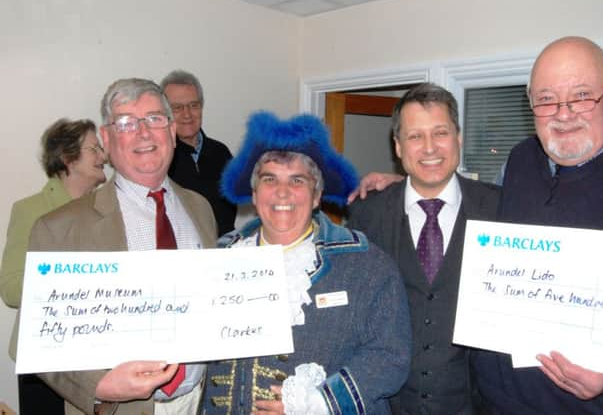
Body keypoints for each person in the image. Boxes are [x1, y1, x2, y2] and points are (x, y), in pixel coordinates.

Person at [18, 78, 217, 415]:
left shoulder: (201, 209)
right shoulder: (59, 228)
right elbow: (39, 339)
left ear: (171, 132)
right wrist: (96, 384)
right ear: (107, 140)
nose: (143, 133)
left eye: (154, 119)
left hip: (199, 401)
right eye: (126, 123)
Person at [202, 111, 412, 414]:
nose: (282, 192)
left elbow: (390, 356)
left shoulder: (367, 265)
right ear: (254, 192)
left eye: (297, 180)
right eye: (269, 179)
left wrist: (318, 402)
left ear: (316, 195)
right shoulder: (219, 259)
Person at [347, 83, 499, 415]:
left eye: (440, 132)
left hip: (480, 404)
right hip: (389, 405)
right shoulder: (366, 215)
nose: (430, 148)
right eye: (415, 136)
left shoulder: (500, 208)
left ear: (458, 137)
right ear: (398, 147)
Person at [471, 36, 603, 414]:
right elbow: (476, 202)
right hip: (494, 400)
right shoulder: (519, 159)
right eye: (546, 99)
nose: (563, 113)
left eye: (581, 95)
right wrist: (410, 184)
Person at [0, 118, 106, 415]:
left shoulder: (110, 208)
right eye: (94, 149)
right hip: (44, 362)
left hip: (99, 356)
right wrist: (69, 279)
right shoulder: (30, 210)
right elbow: (10, 288)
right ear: (68, 158)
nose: (104, 156)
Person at [161, 70, 237, 236]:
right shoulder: (159, 159)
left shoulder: (221, 152)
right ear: (164, 112)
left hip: (224, 250)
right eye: (177, 108)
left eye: (193, 105)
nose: (187, 114)